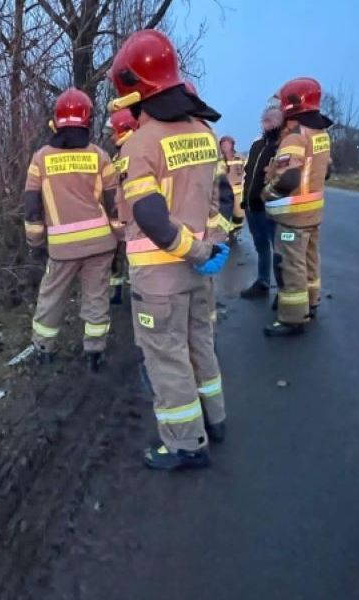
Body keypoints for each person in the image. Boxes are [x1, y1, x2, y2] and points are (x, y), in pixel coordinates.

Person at [108, 29, 230, 470]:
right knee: (201, 344)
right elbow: (216, 203)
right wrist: (211, 248)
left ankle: (185, 444)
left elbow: (152, 218)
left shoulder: (140, 143)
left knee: (167, 357)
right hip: (200, 272)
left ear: (134, 89)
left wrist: (194, 252)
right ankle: (215, 419)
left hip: (161, 278)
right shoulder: (204, 133)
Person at [23, 88, 120, 371]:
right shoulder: (101, 156)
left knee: (51, 298)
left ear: (56, 120)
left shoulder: (40, 159)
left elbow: (32, 206)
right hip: (100, 244)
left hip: (61, 248)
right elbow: (114, 205)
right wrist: (120, 237)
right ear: (87, 119)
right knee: (96, 297)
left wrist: (35, 242)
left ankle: (44, 349)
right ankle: (94, 353)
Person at [262, 77, 332, 337]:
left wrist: (267, 194)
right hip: (313, 215)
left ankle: (292, 318)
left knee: (290, 265)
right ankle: (311, 303)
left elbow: (289, 178)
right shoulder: (320, 134)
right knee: (310, 261)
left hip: (293, 216)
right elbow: (327, 171)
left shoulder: (294, 138)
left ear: (291, 106)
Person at [240, 105, 283, 299]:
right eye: (264, 120)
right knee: (261, 246)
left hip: (270, 208)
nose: (265, 124)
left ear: (279, 122)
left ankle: (284, 290)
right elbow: (249, 174)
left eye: (269, 120)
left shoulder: (281, 145)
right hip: (251, 207)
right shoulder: (257, 145)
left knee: (278, 249)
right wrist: (245, 200)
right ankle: (263, 281)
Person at [107, 108, 139, 305]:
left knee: (136, 258)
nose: (112, 137)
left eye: (114, 132)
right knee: (117, 258)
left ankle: (139, 292)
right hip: (119, 217)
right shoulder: (117, 158)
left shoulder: (140, 153)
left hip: (136, 218)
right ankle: (117, 292)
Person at [219, 136, 247, 233]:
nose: (225, 146)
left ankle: (236, 231)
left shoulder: (241, 158)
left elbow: (247, 173)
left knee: (239, 216)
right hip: (223, 193)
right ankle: (225, 232)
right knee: (223, 215)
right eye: (223, 144)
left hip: (238, 192)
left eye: (227, 144)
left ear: (232, 145)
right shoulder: (218, 159)